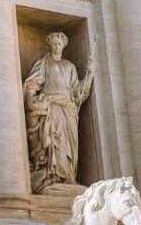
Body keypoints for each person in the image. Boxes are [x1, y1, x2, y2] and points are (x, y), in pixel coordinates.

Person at [24, 33, 93, 192]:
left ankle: (68, 175)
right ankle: (52, 175)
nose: (56, 46)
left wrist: (90, 74)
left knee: (68, 144)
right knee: (54, 141)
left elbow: (78, 92)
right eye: (54, 43)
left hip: (68, 108)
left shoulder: (70, 66)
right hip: (52, 106)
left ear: (64, 45)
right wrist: (31, 97)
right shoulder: (44, 63)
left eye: (59, 44)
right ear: (49, 44)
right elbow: (33, 83)